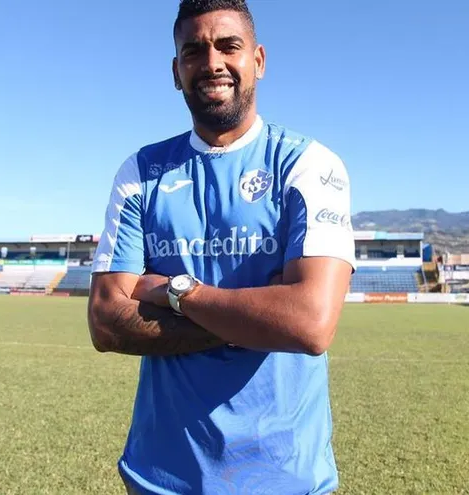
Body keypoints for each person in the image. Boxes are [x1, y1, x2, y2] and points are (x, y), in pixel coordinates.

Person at [87, 0, 355, 493]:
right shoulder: (141, 174)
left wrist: (176, 290)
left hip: (285, 477)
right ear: (176, 70)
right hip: (161, 476)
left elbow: (310, 324)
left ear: (258, 60)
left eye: (229, 46)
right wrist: (256, 316)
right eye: (194, 50)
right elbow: (105, 323)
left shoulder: (309, 164)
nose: (211, 62)